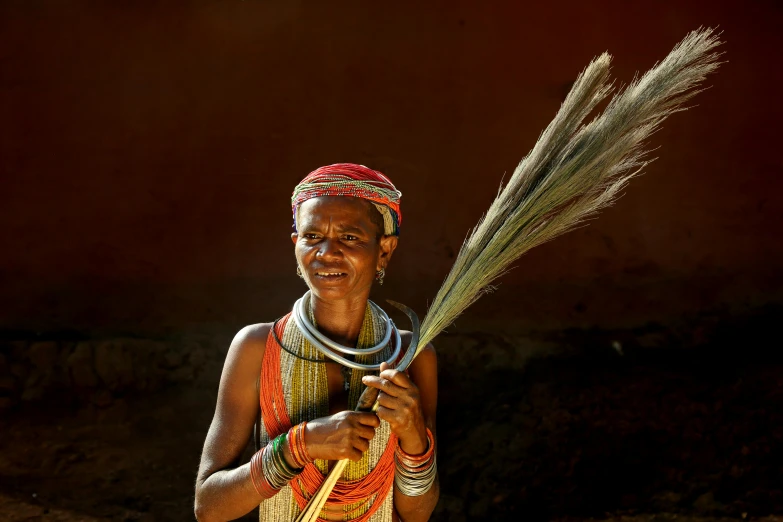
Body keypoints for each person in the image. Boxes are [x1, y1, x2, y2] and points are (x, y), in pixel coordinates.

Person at [194, 164, 439, 522]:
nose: (327, 252)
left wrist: (414, 435)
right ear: (296, 244)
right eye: (312, 237)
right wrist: (300, 445)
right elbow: (209, 507)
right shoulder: (257, 348)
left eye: (350, 237)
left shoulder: (410, 357)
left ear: (384, 250)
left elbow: (417, 514)